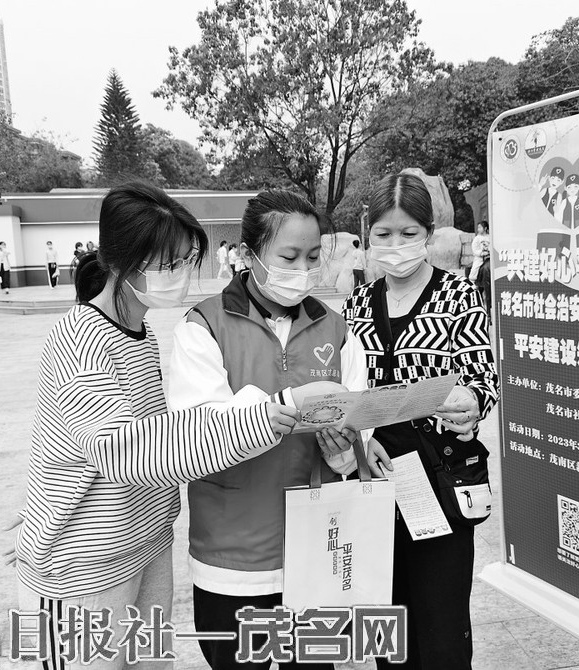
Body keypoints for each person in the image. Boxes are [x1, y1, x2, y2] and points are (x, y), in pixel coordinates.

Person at [13, 182, 302, 670]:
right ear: (120, 263)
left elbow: (157, 431)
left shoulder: (139, 333)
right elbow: (123, 450)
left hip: (143, 545)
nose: (181, 274)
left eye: (186, 260)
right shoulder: (79, 338)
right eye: (167, 264)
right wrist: (259, 419)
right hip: (83, 567)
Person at [167, 189, 373, 670]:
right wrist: (277, 409)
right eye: (288, 256)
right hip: (233, 558)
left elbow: (358, 424)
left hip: (317, 550)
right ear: (248, 254)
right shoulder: (203, 327)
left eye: (313, 257)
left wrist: (345, 450)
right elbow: (197, 436)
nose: (303, 269)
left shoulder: (336, 330)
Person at [341, 173, 499, 670]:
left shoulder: (458, 295)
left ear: (428, 234)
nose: (395, 245)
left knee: (440, 618)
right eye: (383, 234)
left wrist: (472, 401)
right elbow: (343, 386)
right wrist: (357, 438)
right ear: (368, 236)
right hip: (374, 474)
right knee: (388, 614)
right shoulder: (356, 304)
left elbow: (483, 376)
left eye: (408, 233)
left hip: (439, 474)